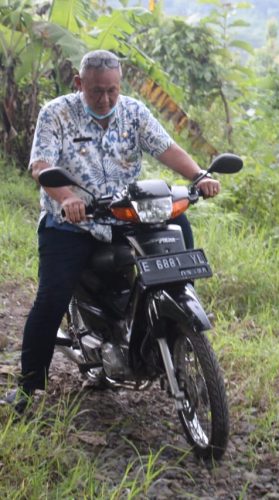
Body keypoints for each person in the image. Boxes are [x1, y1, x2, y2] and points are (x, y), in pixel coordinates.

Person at [0, 50, 221, 414]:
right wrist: (68, 197)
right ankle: (28, 387)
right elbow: (41, 165)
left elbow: (165, 147)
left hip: (125, 214)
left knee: (178, 224)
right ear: (79, 84)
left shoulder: (133, 112)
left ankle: (176, 322)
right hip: (74, 223)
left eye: (112, 91)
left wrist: (198, 175)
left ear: (121, 86)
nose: (105, 99)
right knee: (51, 298)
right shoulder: (56, 113)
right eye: (96, 91)